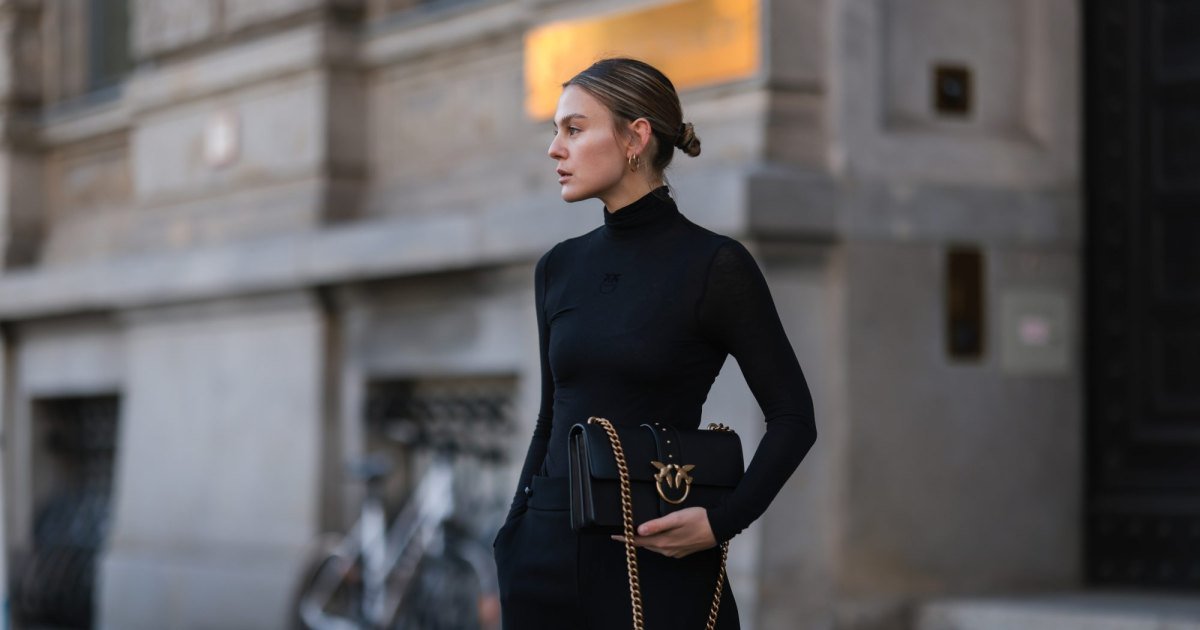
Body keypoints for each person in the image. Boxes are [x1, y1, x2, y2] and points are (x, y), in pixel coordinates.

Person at [491, 57, 817, 630]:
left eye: (574, 129)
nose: (554, 149)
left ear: (635, 137)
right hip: (542, 562)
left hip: (655, 561)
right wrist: (513, 534)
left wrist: (721, 521)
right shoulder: (558, 267)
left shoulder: (715, 265)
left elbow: (794, 418)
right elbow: (551, 417)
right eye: (556, 131)